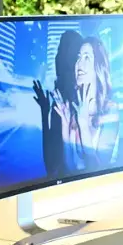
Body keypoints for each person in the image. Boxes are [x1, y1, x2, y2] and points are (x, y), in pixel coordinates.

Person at [54, 36, 120, 172]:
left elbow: (98, 170)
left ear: (98, 67)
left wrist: (83, 124)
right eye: (78, 57)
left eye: (87, 57)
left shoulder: (110, 110)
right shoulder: (74, 109)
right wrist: (65, 126)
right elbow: (70, 167)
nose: (79, 63)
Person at [33, 29, 83, 179]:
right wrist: (45, 111)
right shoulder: (61, 100)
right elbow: (51, 164)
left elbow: (52, 165)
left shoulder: (78, 103)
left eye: (61, 51)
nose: (56, 57)